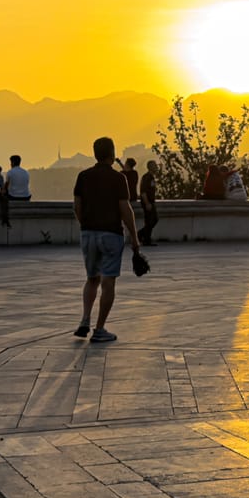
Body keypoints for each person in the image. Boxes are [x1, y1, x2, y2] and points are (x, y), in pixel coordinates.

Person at [72, 137, 141, 344]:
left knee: (91, 278)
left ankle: (85, 319)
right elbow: (125, 209)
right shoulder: (118, 179)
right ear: (112, 154)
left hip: (88, 233)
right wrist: (135, 239)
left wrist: (85, 224)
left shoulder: (83, 176)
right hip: (111, 233)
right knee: (108, 281)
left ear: (95, 154)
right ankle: (99, 328)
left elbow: (77, 206)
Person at [139, 160, 161, 246]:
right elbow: (143, 192)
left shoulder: (151, 177)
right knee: (150, 221)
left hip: (151, 202)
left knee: (152, 220)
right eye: (155, 166)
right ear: (150, 167)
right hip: (148, 202)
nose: (156, 167)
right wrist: (147, 203)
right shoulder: (147, 177)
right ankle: (143, 237)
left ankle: (143, 236)